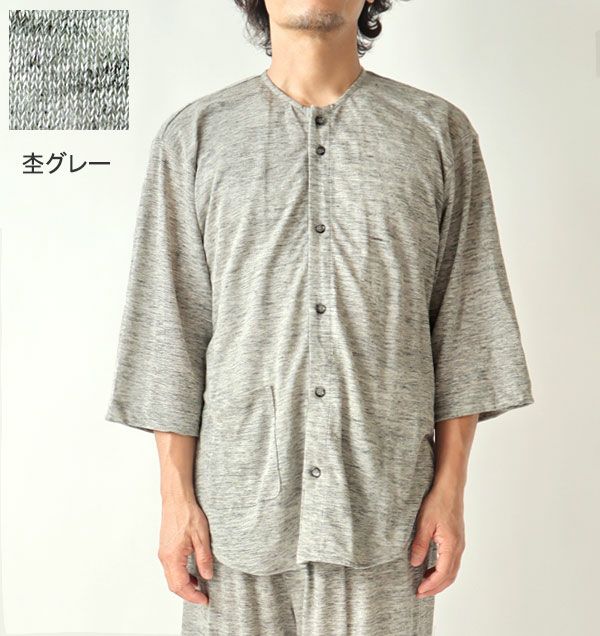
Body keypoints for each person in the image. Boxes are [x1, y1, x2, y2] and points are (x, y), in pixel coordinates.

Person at [105, 1, 535, 634]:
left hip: (388, 518)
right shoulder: (195, 137)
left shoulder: (436, 132)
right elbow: (169, 327)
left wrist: (450, 490)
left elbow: (467, 323)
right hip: (233, 522)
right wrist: (175, 501)